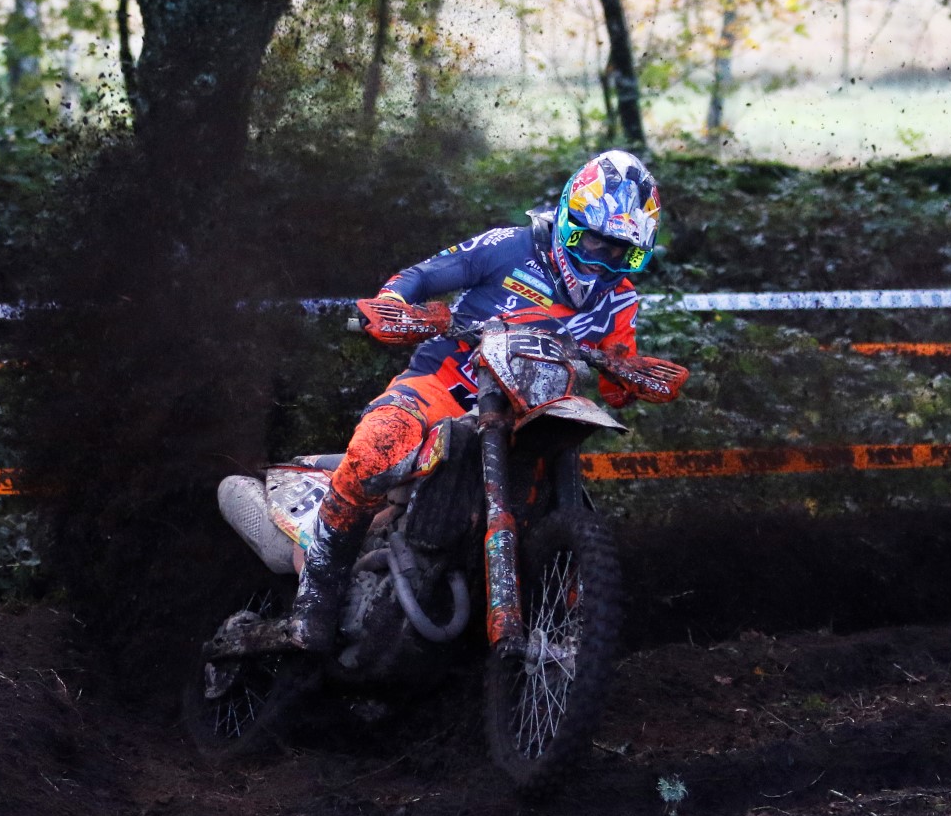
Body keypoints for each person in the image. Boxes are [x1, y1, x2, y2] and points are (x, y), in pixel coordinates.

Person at [287, 150, 685, 652]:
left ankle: (555, 620)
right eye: (593, 243)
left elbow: (616, 375)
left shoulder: (620, 301)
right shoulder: (509, 247)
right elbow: (425, 276)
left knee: (552, 496)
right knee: (376, 448)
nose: (603, 261)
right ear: (567, 221)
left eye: (622, 254)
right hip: (443, 387)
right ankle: (315, 596)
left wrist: (628, 378)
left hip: (531, 413)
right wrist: (394, 303)